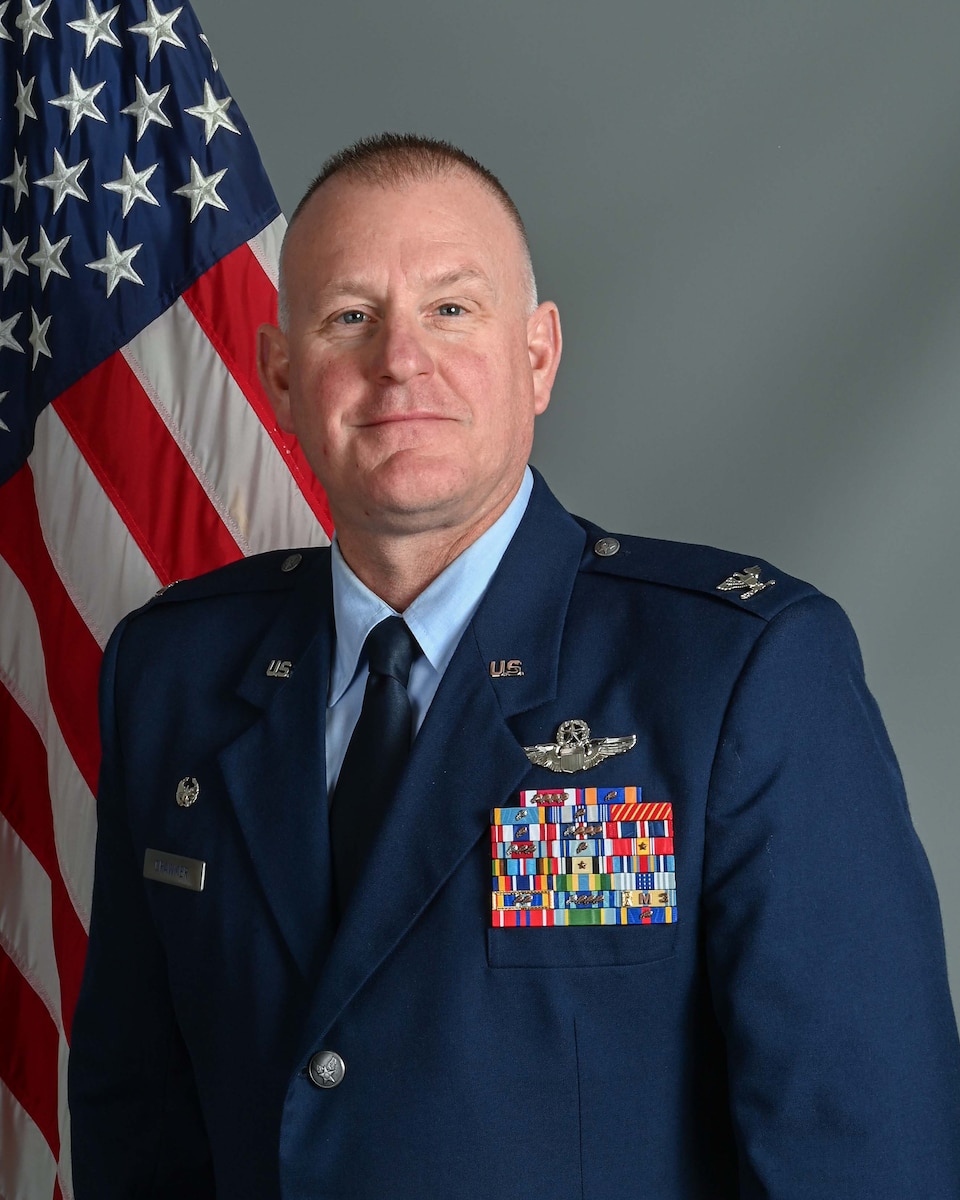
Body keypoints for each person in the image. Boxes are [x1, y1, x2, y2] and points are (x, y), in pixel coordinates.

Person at [69, 134, 960, 1199]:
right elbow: (138, 1123)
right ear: (281, 377)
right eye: (349, 316)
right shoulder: (173, 672)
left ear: (537, 358)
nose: (400, 358)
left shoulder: (734, 674)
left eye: (452, 308)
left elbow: (863, 1150)